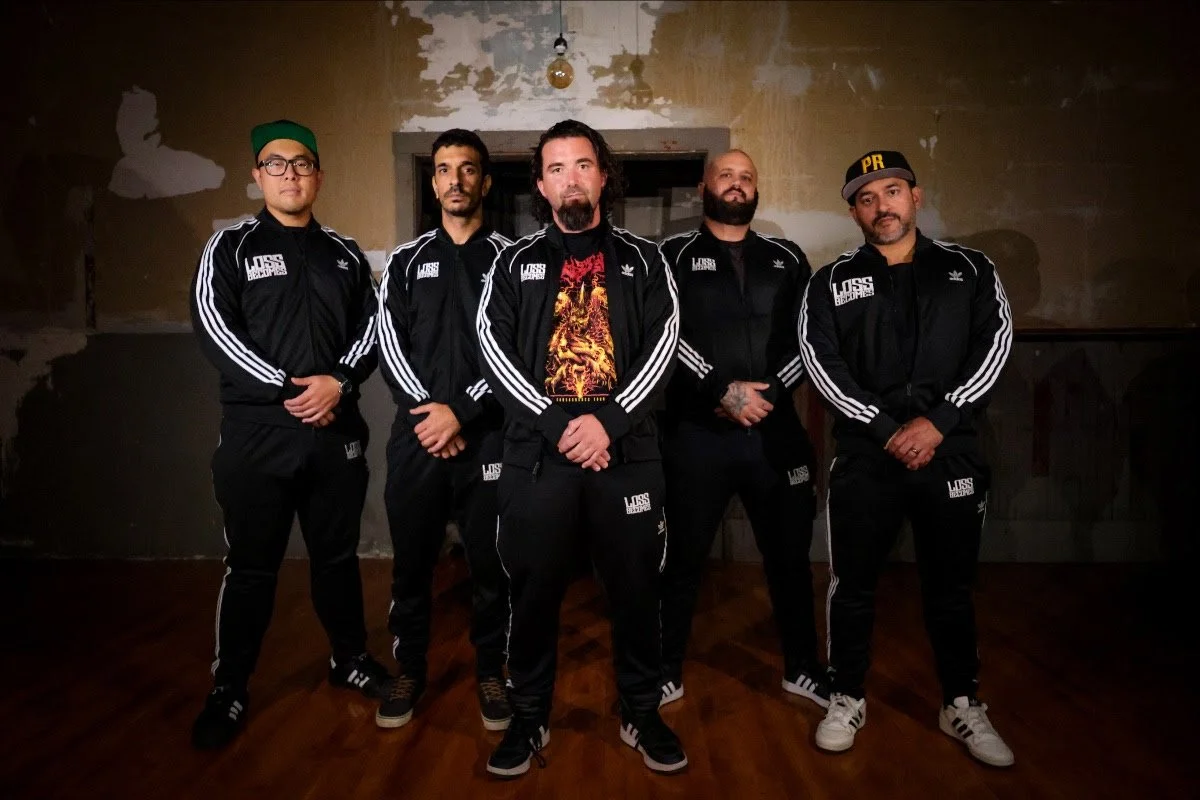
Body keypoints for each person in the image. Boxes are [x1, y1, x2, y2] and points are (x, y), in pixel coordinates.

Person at [475, 119, 686, 777]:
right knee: (533, 593)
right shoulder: (512, 263)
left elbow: (665, 344)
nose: (571, 178)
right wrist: (558, 425)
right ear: (541, 185)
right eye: (557, 168)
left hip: (626, 456)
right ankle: (529, 715)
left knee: (636, 590)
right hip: (539, 457)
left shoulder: (646, 260)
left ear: (603, 175)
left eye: (583, 165)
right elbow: (492, 349)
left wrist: (610, 422)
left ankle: (641, 710)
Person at [798, 150, 1015, 767]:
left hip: (951, 454)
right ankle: (846, 695)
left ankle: (961, 701)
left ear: (915, 197)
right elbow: (820, 361)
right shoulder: (831, 281)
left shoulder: (970, 268)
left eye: (891, 191)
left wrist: (940, 422)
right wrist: (887, 429)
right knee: (852, 585)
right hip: (867, 458)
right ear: (854, 213)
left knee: (951, 586)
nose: (881, 206)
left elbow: (994, 345)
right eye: (866, 199)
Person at [187, 119, 390, 749]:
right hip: (258, 436)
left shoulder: (345, 254)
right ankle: (229, 687)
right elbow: (214, 328)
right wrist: (290, 389)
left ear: (318, 175)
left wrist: (339, 383)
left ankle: (349, 659)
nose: (290, 174)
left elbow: (374, 328)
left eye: (302, 163)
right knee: (251, 567)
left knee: (337, 559)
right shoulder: (230, 248)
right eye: (276, 164)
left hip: (335, 433)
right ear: (258, 175)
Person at [657, 149, 828, 711]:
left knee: (790, 559)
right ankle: (664, 669)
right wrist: (720, 390)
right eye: (726, 176)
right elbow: (661, 336)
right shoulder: (672, 255)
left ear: (756, 189)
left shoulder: (786, 257)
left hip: (775, 436)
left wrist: (769, 395)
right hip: (695, 436)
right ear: (704, 187)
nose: (736, 184)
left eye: (746, 177)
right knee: (681, 559)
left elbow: (811, 339)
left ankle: (802, 668)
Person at [375, 129, 513, 731]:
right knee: (411, 565)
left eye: (468, 169)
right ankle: (409, 667)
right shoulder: (405, 262)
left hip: (489, 439)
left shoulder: (511, 259)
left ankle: (491, 670)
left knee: (492, 565)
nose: (455, 180)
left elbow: (517, 351)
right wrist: (431, 412)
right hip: (418, 439)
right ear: (432, 183)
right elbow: (388, 342)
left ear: (485, 181)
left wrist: (463, 411)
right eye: (444, 169)